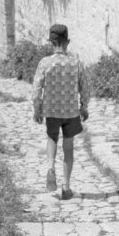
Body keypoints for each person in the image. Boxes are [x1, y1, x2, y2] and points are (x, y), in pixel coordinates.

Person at [32, 23, 90, 201]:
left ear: (51, 42)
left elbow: (36, 89)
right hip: (71, 112)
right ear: (68, 42)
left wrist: (37, 109)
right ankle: (66, 186)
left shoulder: (45, 63)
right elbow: (85, 87)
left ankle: (50, 167)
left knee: (52, 139)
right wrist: (84, 106)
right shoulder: (76, 62)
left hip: (52, 111)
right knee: (69, 148)